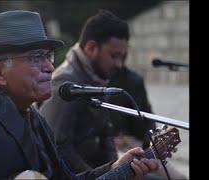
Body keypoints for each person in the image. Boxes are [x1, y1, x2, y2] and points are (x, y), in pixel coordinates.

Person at [0, 10, 159, 179]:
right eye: (36, 57)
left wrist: (115, 169)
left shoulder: (38, 122)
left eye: (48, 56)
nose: (48, 67)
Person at [39, 9, 156, 174]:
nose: (119, 65)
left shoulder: (96, 76)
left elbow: (106, 136)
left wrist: (116, 171)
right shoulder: (66, 84)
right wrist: (103, 175)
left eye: (122, 57)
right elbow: (58, 147)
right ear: (91, 47)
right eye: (114, 56)